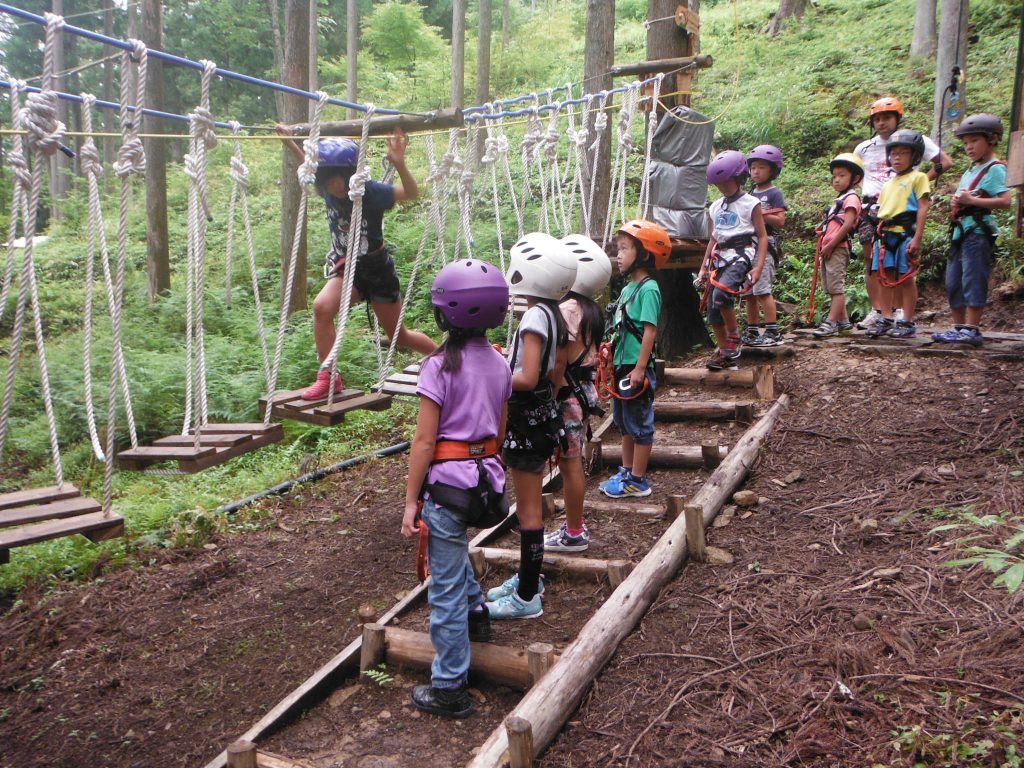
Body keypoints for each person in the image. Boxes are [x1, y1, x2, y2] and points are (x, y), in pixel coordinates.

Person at [400, 258, 512, 719]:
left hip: (447, 489)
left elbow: (425, 441)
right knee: (453, 553)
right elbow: (499, 434)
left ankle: (449, 686)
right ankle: (478, 614)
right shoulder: (501, 363)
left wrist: (410, 501)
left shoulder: (438, 366)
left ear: (445, 315)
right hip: (486, 488)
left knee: (441, 588)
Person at [277, 127, 437, 399]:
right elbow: (309, 163)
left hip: (376, 270)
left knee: (401, 337)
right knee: (321, 308)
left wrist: (400, 164)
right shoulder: (324, 187)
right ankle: (329, 376)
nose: (338, 185)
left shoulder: (370, 191)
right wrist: (289, 141)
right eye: (331, 179)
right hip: (346, 268)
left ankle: (447, 359)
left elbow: (411, 193)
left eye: (342, 177)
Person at [485, 233, 577, 620]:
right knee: (529, 509)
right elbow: (555, 372)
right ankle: (531, 579)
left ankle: (526, 597)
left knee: (528, 513)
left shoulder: (535, 317)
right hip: (541, 419)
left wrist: (496, 374)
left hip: (526, 423)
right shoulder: (555, 313)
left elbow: (530, 374)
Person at [854, 97, 952, 329]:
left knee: (901, 262)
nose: (882, 123)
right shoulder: (864, 147)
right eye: (877, 119)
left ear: (897, 118)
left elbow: (944, 162)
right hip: (872, 208)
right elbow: (853, 172)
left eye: (887, 117)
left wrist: (914, 185)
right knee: (873, 262)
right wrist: (865, 190)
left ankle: (899, 313)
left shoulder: (915, 141)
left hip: (903, 211)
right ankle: (878, 311)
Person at [544, 234, 611, 552]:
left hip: (567, 393)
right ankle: (573, 529)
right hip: (581, 391)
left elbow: (559, 360)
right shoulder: (588, 307)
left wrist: (549, 395)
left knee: (570, 465)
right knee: (573, 463)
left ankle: (574, 532)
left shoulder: (569, 308)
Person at [598, 220, 669, 499]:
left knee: (639, 421)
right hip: (621, 363)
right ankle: (627, 470)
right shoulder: (628, 289)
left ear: (644, 254)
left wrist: (641, 368)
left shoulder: (649, 289)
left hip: (636, 366)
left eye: (625, 249)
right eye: (618, 249)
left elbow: (650, 330)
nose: (619, 255)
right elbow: (623, 327)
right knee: (624, 420)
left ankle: (638, 480)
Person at [933, 114, 1012, 347]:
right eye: (966, 142)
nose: (969, 147)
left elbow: (1005, 201)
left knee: (972, 277)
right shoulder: (971, 170)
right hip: (960, 230)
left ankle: (972, 328)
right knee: (953, 281)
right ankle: (959, 328)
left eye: (975, 141)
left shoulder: (995, 168)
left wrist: (972, 201)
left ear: (992, 139)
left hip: (977, 231)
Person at [697, 151, 769, 370]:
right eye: (718, 183)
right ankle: (726, 355)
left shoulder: (751, 203)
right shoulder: (715, 207)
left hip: (741, 254)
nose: (723, 186)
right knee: (712, 309)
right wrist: (703, 267)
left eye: (726, 181)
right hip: (719, 257)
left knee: (721, 295)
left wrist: (757, 267)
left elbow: (763, 236)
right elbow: (713, 238)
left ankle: (734, 336)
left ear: (738, 177)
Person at [866, 130, 932, 338]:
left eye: (903, 153)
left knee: (906, 278)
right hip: (885, 235)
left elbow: (922, 207)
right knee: (883, 277)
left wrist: (918, 238)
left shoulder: (919, 177)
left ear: (914, 156)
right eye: (894, 153)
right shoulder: (888, 183)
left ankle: (907, 321)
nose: (897, 157)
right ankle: (886, 316)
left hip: (905, 233)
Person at [812, 153, 865, 337]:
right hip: (829, 248)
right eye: (834, 176)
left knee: (836, 287)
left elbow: (849, 223)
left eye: (842, 175)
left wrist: (832, 245)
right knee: (830, 287)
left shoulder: (851, 199)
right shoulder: (839, 201)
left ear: (855, 178)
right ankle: (843, 322)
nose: (837, 180)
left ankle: (831, 323)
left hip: (838, 247)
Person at [744, 145, 788, 347]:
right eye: (753, 167)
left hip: (765, 243)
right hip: (746, 244)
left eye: (761, 167)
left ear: (772, 170)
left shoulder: (774, 193)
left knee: (762, 289)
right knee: (748, 292)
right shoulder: (750, 192)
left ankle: (772, 330)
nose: (756, 171)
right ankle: (752, 330)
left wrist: (760, 213)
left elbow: (780, 221)